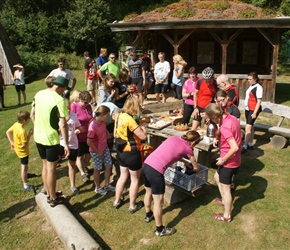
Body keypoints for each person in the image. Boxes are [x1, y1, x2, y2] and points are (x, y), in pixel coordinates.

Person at [143, 130, 201, 236]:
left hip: (147, 164)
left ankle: (148, 215)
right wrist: (195, 168)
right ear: (193, 143)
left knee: (148, 192)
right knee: (159, 202)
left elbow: (171, 151)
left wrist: (184, 161)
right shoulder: (188, 149)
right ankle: (160, 229)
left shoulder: (173, 138)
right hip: (156, 171)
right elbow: (196, 168)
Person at [31, 76, 70, 207]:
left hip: (38, 136)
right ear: (63, 88)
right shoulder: (59, 100)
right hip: (50, 138)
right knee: (51, 169)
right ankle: (53, 198)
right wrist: (66, 144)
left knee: (44, 166)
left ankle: (49, 192)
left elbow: (32, 114)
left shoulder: (39, 94)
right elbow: (63, 124)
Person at [205, 103, 242, 222]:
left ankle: (227, 216)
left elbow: (234, 147)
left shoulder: (225, 127)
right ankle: (225, 200)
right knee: (217, 177)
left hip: (229, 162)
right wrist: (218, 138)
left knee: (226, 190)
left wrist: (223, 159)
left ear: (213, 117)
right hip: (235, 159)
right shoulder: (231, 118)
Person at [113, 96, 147, 213]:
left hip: (121, 150)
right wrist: (143, 129)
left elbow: (115, 133)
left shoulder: (119, 116)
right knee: (135, 179)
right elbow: (143, 137)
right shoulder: (130, 120)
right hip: (132, 152)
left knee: (122, 176)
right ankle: (132, 205)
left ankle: (117, 200)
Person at [87, 105, 116, 195]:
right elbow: (89, 142)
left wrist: (107, 133)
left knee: (108, 165)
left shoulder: (102, 122)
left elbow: (104, 129)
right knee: (98, 169)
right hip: (96, 151)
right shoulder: (93, 126)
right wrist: (98, 152)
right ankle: (97, 187)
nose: (108, 118)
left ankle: (107, 185)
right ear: (102, 115)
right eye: (107, 116)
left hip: (105, 148)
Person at [6, 110, 36, 194]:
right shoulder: (22, 131)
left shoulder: (16, 124)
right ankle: (26, 185)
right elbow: (24, 144)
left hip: (18, 150)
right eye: (28, 120)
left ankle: (25, 175)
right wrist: (30, 134)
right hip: (23, 152)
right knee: (24, 167)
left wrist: (12, 142)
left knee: (24, 166)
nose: (29, 121)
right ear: (24, 120)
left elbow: (7, 132)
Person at [60, 99, 83, 195]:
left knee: (72, 165)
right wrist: (64, 121)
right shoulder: (59, 117)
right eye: (66, 109)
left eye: (69, 108)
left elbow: (79, 127)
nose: (68, 111)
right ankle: (48, 186)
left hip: (73, 144)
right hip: (60, 144)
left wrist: (78, 131)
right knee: (52, 166)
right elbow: (56, 131)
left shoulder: (74, 116)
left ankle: (73, 185)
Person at [71, 91, 93, 183]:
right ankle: (82, 173)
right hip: (78, 135)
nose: (86, 104)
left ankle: (83, 166)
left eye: (88, 102)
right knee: (79, 156)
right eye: (85, 102)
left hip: (88, 135)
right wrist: (77, 130)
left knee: (88, 155)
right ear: (80, 99)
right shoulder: (74, 107)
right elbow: (71, 121)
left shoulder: (88, 107)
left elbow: (91, 118)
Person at [242, 72, 263, 154]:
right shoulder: (251, 86)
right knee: (251, 127)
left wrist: (254, 112)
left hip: (253, 109)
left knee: (248, 128)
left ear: (255, 79)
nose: (249, 81)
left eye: (250, 79)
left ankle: (245, 145)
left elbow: (259, 101)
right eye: (248, 79)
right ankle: (250, 143)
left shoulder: (259, 87)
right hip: (248, 109)